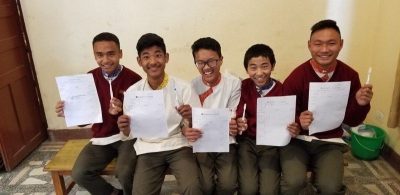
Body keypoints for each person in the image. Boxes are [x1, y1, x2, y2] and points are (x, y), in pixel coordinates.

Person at [280, 19, 373, 194]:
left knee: (330, 187)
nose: (324, 50)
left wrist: (360, 104)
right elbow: (283, 117)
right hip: (297, 142)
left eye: (331, 43)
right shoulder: (296, 76)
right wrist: (298, 122)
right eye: (318, 44)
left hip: (330, 142)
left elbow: (352, 121)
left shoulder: (350, 75)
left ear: (341, 45)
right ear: (309, 46)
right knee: (294, 182)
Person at [55, 32, 142, 195]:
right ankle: (114, 193)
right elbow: (83, 120)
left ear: (120, 53)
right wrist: (69, 112)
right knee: (79, 173)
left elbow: (142, 117)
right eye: (99, 55)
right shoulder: (88, 78)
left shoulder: (134, 79)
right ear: (94, 55)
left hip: (128, 138)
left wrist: (122, 110)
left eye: (111, 54)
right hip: (101, 139)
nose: (106, 60)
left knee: (124, 173)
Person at [117, 33, 202, 195]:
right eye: (146, 57)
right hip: (148, 148)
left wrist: (190, 117)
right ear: (139, 61)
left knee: (192, 188)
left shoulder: (183, 87)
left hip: (178, 145)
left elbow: (195, 126)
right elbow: (130, 133)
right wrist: (125, 127)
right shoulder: (133, 92)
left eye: (158, 55)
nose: (153, 61)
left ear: (166, 57)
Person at [235, 44, 300, 195]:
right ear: (246, 69)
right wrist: (239, 121)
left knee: (269, 191)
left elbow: (291, 116)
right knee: (248, 189)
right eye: (253, 67)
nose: (259, 73)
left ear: (273, 66)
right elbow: (238, 112)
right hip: (247, 142)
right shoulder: (243, 87)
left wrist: (294, 126)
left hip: (271, 144)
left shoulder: (282, 90)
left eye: (264, 66)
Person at [182, 37, 241, 194]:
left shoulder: (233, 83)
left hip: (225, 141)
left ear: (221, 60)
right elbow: (187, 121)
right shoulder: (192, 86)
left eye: (211, 61)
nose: (206, 67)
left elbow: (233, 116)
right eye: (200, 63)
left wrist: (234, 125)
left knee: (228, 185)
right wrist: (186, 126)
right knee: (205, 187)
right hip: (202, 142)